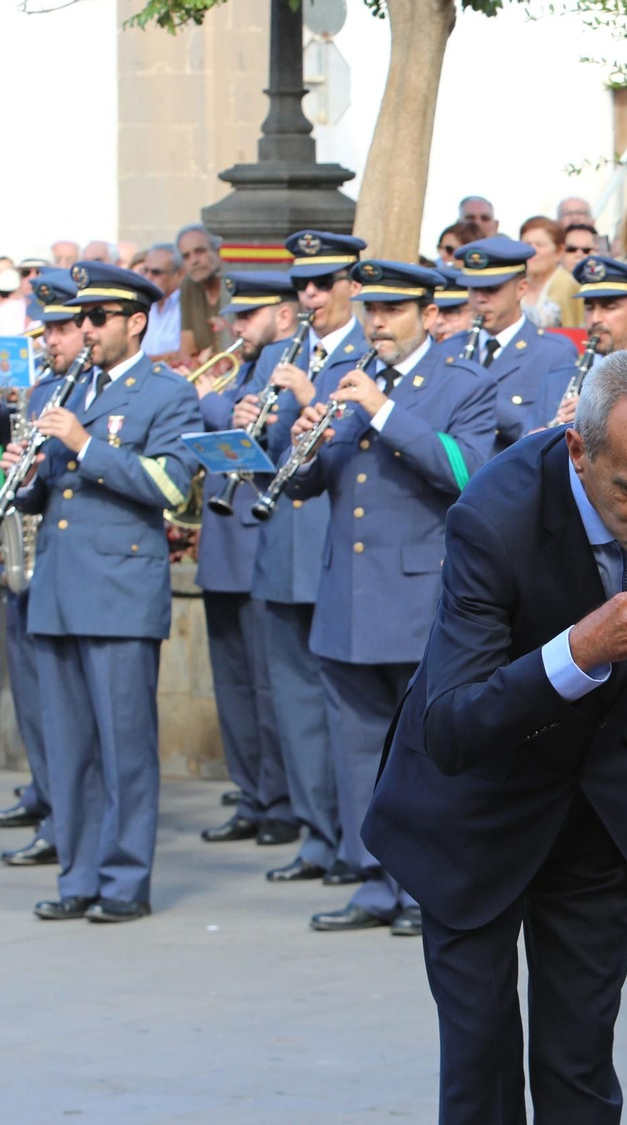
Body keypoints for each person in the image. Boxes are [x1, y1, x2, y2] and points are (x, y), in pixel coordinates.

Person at [365, 351, 627, 1124]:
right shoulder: (494, 516)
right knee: (481, 1062)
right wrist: (577, 651)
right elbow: (450, 721)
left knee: (580, 1062)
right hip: (474, 809)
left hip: (596, 807)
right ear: (580, 450)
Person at [281, 259, 496, 936]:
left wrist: (386, 411)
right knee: (357, 752)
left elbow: (469, 473)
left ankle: (425, 887)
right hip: (347, 594)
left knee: (424, 752)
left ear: (430, 316)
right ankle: (373, 880)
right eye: (372, 309)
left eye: (394, 310)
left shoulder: (462, 383)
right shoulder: (343, 379)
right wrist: (301, 447)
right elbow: (305, 486)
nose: (378, 322)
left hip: (416, 596)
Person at [0, 261, 205, 923]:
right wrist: (26, 474)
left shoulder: (166, 393)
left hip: (119, 588)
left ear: (136, 322)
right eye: (78, 318)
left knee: (124, 748)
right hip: (59, 587)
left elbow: (173, 487)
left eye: (97, 318)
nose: (83, 329)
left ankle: (123, 881)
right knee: (69, 748)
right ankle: (77, 876)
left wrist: (85, 445)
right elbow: (48, 495)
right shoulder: (64, 387)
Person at [231, 231, 371, 880]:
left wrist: (310, 395)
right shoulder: (277, 356)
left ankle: (356, 843)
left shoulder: (367, 352)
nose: (310, 295)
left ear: (351, 286)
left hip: (334, 542)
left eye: (323, 283)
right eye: (302, 286)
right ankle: (316, 836)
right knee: (293, 705)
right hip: (279, 542)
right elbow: (262, 459)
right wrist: (246, 425)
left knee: (347, 712)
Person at [0, 268, 86, 869]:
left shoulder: (87, 395)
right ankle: (48, 801)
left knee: (60, 705)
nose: (51, 342)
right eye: (46, 331)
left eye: (63, 328)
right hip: (26, 554)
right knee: (35, 702)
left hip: (65, 559)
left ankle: (64, 816)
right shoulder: (41, 386)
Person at [192, 272, 296, 857]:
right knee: (234, 684)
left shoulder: (284, 363)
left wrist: (213, 402)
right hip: (223, 543)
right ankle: (251, 794)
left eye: (247, 317)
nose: (235, 328)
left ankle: (279, 801)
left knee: (266, 684)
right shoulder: (245, 367)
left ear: (281, 317)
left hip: (260, 541)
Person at [447, 236, 579, 451]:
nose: (480, 299)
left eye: (491, 289)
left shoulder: (554, 353)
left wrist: (472, 394)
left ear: (521, 288)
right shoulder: (448, 349)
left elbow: (547, 435)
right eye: (473, 289)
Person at [532, 255, 627, 433]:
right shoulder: (555, 380)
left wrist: (598, 415)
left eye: (609, 307)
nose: (595, 318)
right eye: (589, 307)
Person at [519, 216, 581, 330]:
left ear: (559, 251)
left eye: (540, 245)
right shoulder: (516, 283)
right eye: (527, 244)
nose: (532, 251)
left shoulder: (566, 284)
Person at [177, 222, 226, 362]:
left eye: (200, 251)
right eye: (186, 256)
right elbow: (187, 352)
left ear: (217, 251)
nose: (194, 261)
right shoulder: (188, 286)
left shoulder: (232, 282)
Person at [138, 243, 185, 362]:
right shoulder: (140, 304)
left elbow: (187, 354)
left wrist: (147, 360)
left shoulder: (187, 306)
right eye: (145, 271)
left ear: (179, 275)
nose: (148, 277)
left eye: (156, 272)